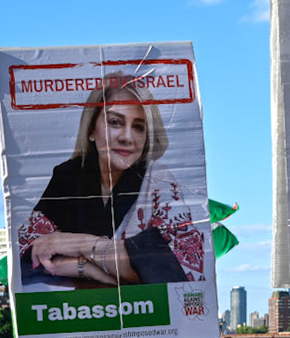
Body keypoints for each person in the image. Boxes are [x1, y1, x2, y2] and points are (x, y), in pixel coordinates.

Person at [17, 75, 206, 289]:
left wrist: (75, 244)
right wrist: (90, 268)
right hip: (77, 313)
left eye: (138, 127)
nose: (127, 137)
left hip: (143, 314)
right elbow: (30, 255)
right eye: (115, 122)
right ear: (91, 129)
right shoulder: (67, 175)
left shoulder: (160, 183)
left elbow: (173, 268)